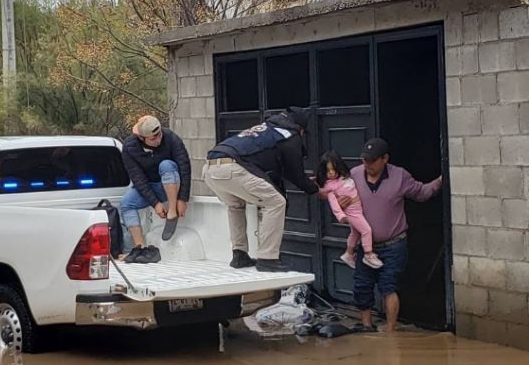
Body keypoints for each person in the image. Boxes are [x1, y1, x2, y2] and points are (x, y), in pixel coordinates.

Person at [339, 138, 442, 332]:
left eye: (372, 161)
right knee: (362, 285)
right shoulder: (354, 176)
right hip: (366, 245)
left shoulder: (399, 176)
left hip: (394, 244)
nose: (367, 165)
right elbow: (339, 202)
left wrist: (441, 180)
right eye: (364, 160)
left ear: (385, 159)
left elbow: (422, 192)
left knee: (389, 286)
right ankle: (367, 326)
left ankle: (391, 330)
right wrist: (339, 203)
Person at [203, 107, 319, 272]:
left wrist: (306, 183)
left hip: (209, 168)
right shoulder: (289, 135)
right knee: (276, 202)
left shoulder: (267, 129)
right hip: (233, 168)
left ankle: (240, 254)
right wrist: (315, 189)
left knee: (235, 205)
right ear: (300, 128)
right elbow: (295, 174)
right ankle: (267, 258)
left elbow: (276, 173)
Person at [120, 115, 191, 264]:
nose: (158, 140)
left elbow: (184, 166)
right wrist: (155, 204)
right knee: (126, 203)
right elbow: (138, 178)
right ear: (142, 138)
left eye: (159, 135)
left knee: (166, 165)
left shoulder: (171, 137)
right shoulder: (129, 147)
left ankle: (172, 213)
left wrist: (182, 198)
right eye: (153, 139)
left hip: (172, 182)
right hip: (151, 186)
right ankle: (140, 247)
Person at [315, 151, 383, 269]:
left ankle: (349, 254)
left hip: (357, 208)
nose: (331, 173)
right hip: (352, 212)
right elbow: (333, 202)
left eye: (333, 169)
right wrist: (340, 215)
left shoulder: (343, 178)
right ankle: (368, 254)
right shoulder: (329, 186)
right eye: (327, 171)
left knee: (355, 233)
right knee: (366, 230)